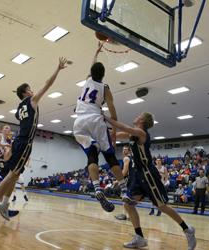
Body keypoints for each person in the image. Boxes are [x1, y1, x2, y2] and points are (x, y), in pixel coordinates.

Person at [0, 57, 68, 225]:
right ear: (26, 93)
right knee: (11, 175)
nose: (33, 91)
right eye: (30, 89)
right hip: (24, 142)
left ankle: (5, 204)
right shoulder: (31, 101)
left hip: (20, 141)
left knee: (15, 175)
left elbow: (21, 118)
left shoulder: (19, 108)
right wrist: (58, 69)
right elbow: (47, 84)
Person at [105, 113, 196, 250]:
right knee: (128, 204)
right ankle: (139, 237)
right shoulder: (132, 135)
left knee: (161, 206)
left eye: (139, 115)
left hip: (148, 175)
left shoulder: (142, 133)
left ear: (142, 120)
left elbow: (124, 128)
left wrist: (105, 117)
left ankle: (187, 229)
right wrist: (98, 126)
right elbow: (116, 134)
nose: (136, 116)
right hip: (138, 175)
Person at [73, 42, 130, 213]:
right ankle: (124, 190)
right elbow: (112, 109)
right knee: (110, 156)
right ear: (104, 75)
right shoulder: (105, 87)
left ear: (91, 73)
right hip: (95, 120)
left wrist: (96, 52)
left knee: (92, 156)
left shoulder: (87, 80)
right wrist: (113, 127)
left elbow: (92, 67)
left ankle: (97, 188)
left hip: (78, 123)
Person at [115, 146, 132, 220]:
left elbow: (125, 171)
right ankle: (127, 215)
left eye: (126, 150)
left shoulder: (126, 158)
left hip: (127, 179)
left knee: (125, 197)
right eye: (123, 150)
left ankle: (126, 215)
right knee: (126, 197)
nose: (124, 151)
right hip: (130, 179)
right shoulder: (130, 158)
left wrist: (118, 180)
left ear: (129, 151)